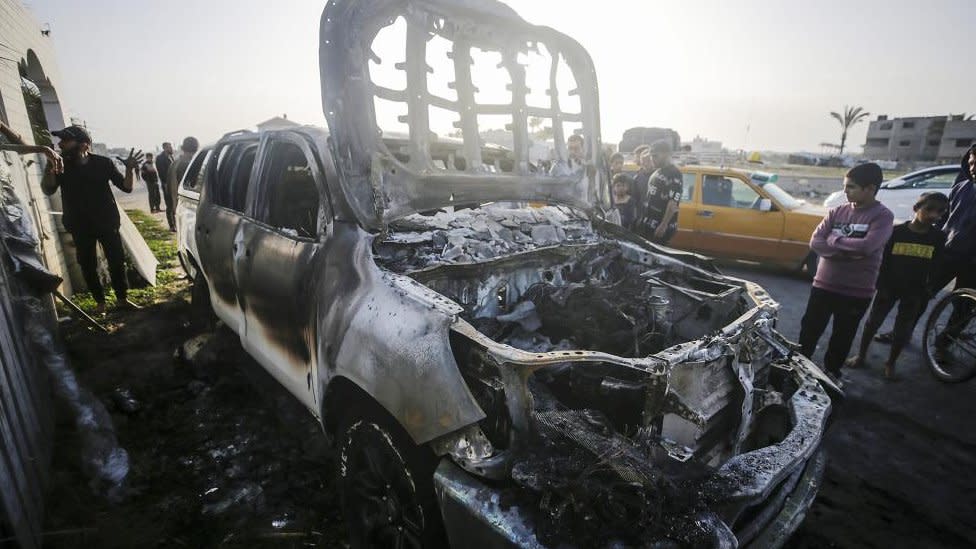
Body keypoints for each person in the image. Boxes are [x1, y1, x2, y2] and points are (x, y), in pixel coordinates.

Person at [799, 163, 894, 382]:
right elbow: (816, 241)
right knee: (809, 331)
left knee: (842, 336)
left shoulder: (882, 216)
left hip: (857, 292)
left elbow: (867, 247)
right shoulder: (837, 211)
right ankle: (798, 368)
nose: (845, 191)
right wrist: (844, 250)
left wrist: (834, 241)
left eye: (851, 187)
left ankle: (831, 374)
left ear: (870, 188)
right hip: (823, 285)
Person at [846, 192, 949, 379]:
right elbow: (882, 261)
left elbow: (937, 266)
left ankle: (890, 363)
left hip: (915, 292)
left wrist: (929, 290)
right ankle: (861, 355)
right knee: (872, 323)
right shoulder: (896, 232)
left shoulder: (938, 238)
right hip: (888, 288)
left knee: (903, 330)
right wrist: (881, 284)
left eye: (940, 212)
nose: (934, 215)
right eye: (929, 209)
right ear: (916, 208)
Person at [40, 125, 142, 313]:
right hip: (79, 225)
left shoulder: (103, 163)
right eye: (60, 140)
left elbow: (126, 187)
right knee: (87, 265)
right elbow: (48, 189)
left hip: (107, 221)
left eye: (65, 140)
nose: (60, 144)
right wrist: (49, 167)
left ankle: (121, 300)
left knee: (116, 261)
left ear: (84, 145)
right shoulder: (60, 165)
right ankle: (100, 303)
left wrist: (128, 169)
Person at [635, 140, 682, 244]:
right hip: (648, 224)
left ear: (667, 154)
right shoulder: (657, 171)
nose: (652, 159)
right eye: (651, 156)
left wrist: (663, 225)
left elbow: (673, 203)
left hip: (659, 227)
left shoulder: (674, 174)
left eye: (655, 156)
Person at [166, 137, 199, 232]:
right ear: (196, 148)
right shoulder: (190, 164)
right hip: (188, 210)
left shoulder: (174, 164)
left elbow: (168, 189)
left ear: (183, 148)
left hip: (177, 208)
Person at [155, 142, 175, 229]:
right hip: (167, 184)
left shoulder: (171, 157)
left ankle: (175, 223)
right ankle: (171, 225)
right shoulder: (160, 158)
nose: (171, 148)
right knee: (170, 205)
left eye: (171, 147)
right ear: (165, 148)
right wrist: (166, 184)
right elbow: (162, 173)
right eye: (169, 147)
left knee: (175, 204)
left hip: (174, 184)